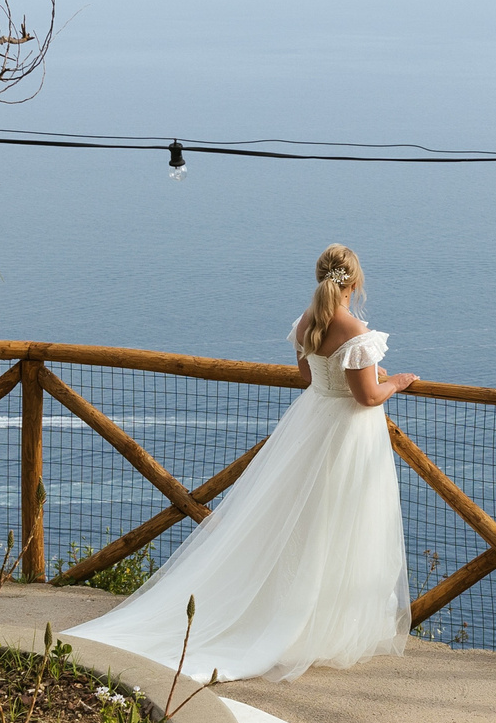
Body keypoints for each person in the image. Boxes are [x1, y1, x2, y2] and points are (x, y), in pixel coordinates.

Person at [70, 243, 418, 682]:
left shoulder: (310, 321)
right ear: (355, 281)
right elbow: (366, 397)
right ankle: (318, 626)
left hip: (311, 426)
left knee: (300, 524)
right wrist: (398, 382)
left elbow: (308, 377)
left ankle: (287, 613)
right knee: (340, 525)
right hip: (345, 436)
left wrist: (358, 378)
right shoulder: (353, 330)